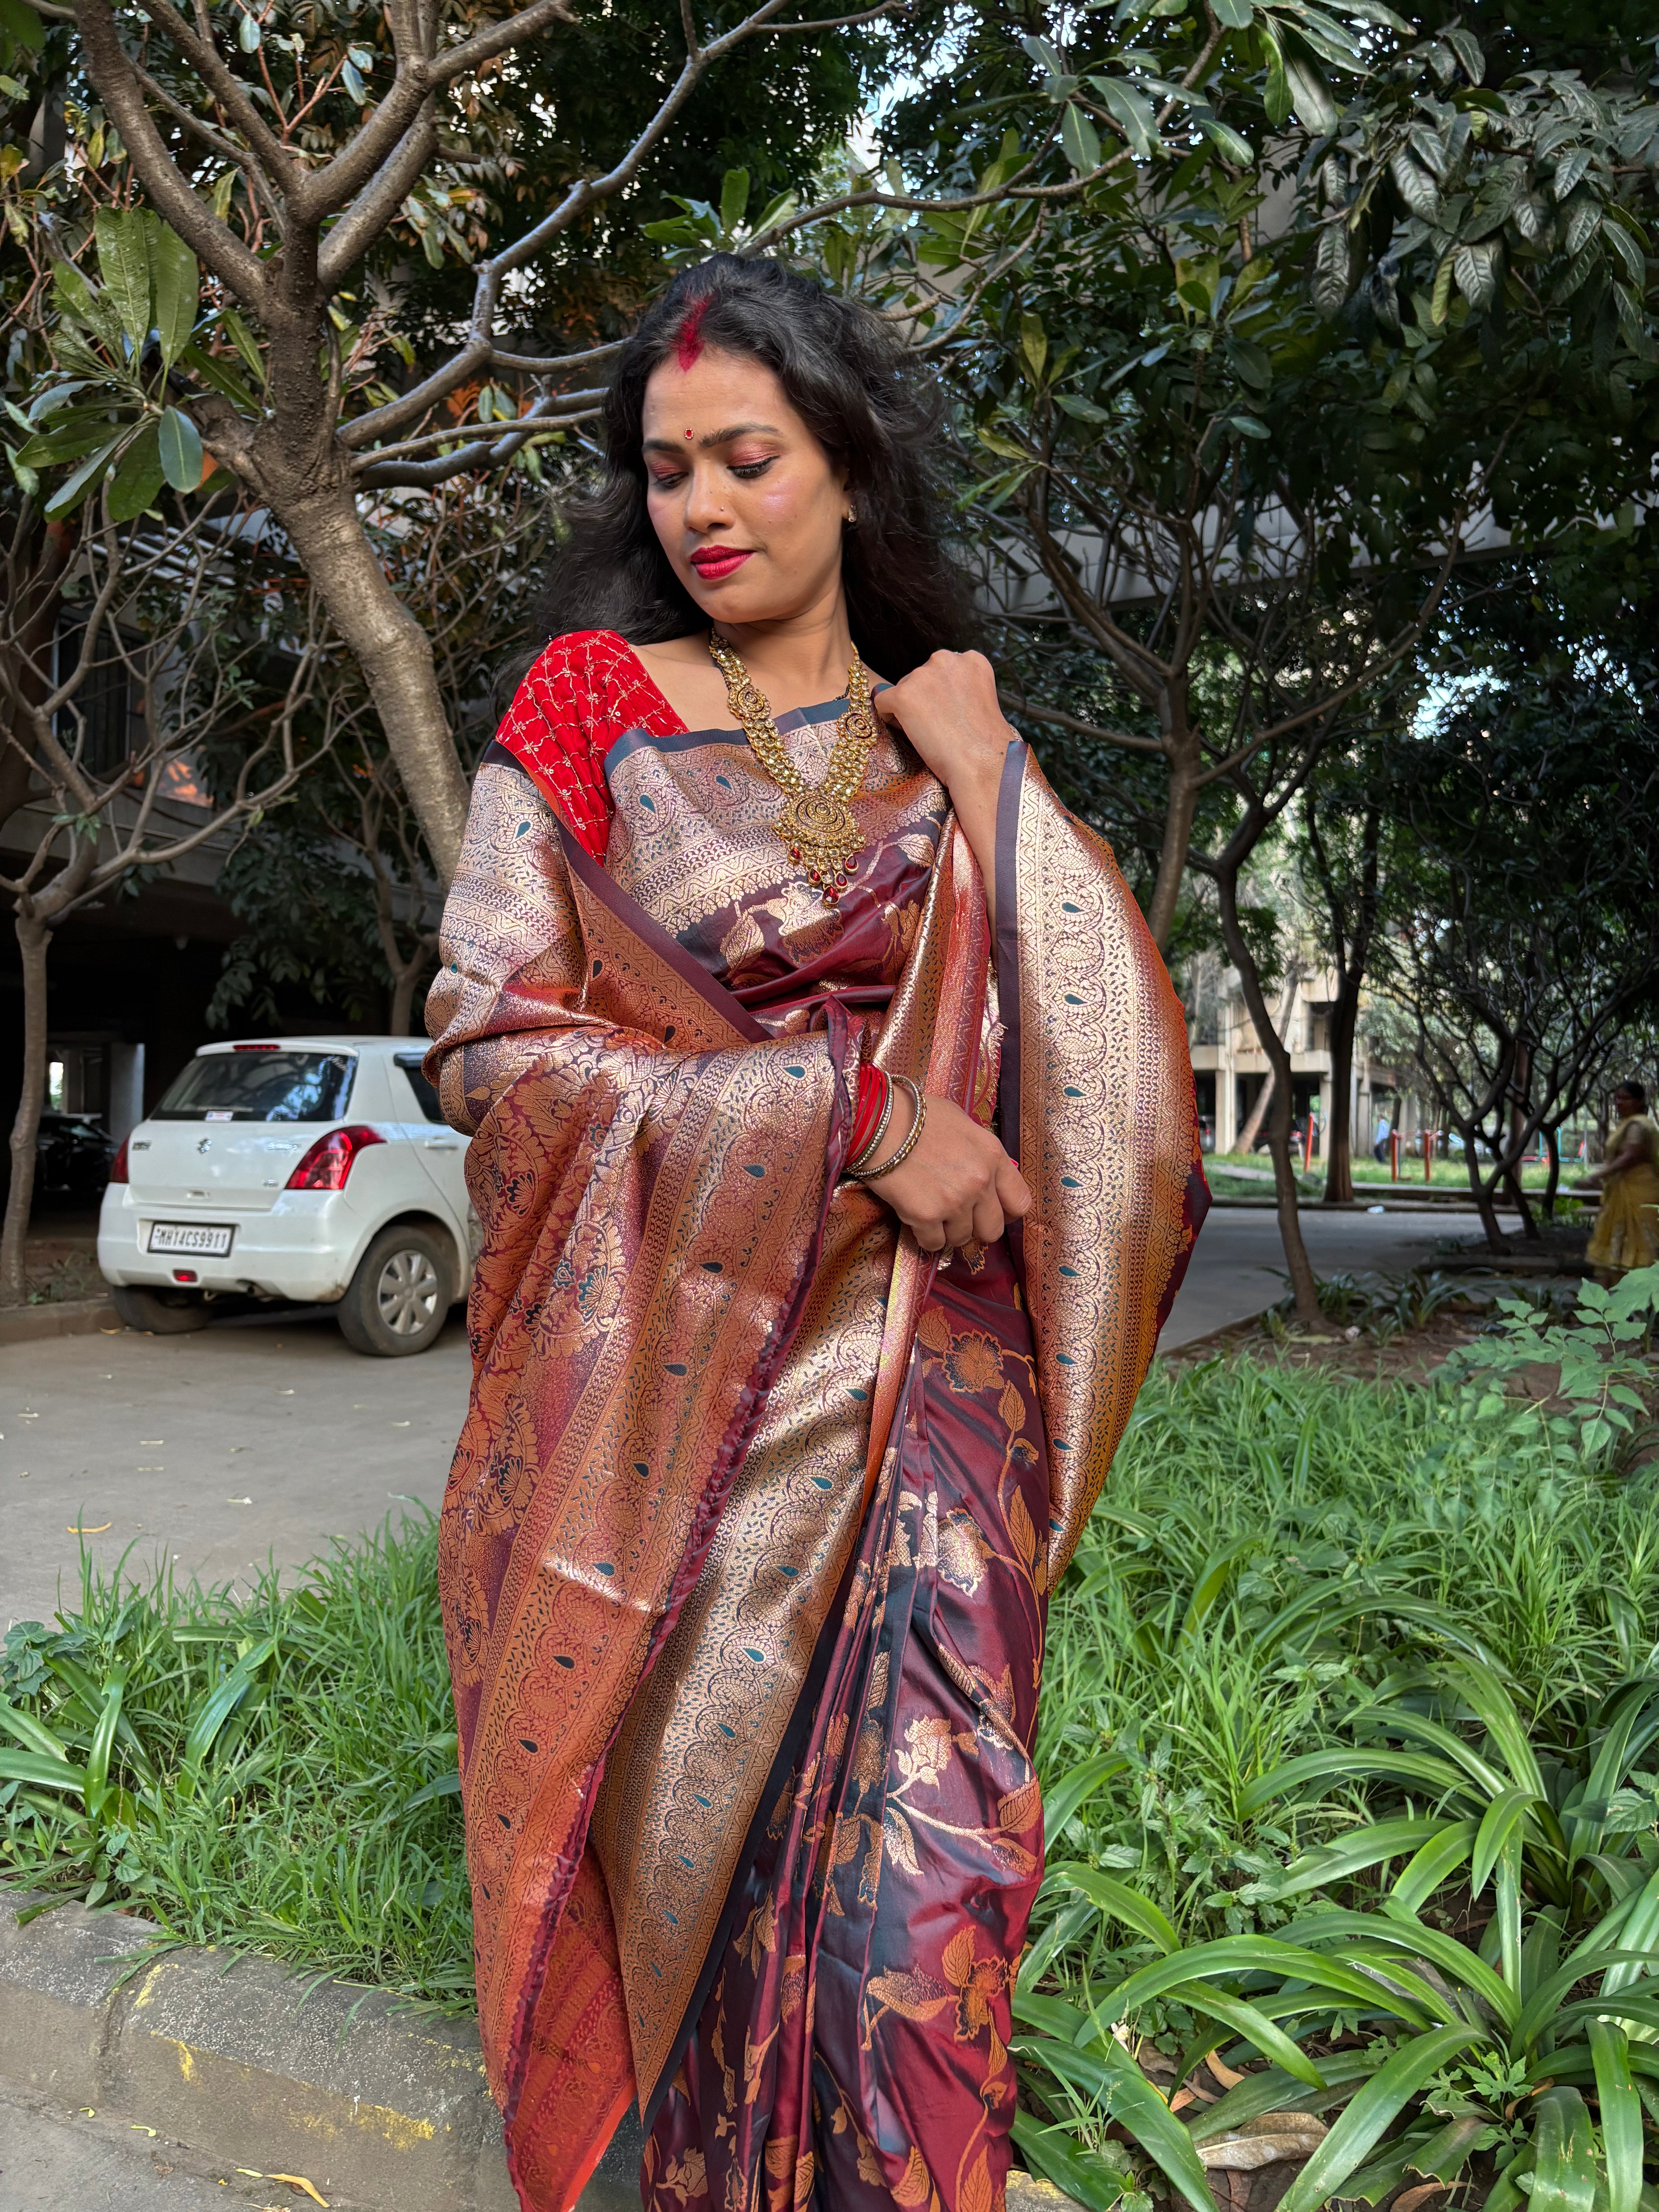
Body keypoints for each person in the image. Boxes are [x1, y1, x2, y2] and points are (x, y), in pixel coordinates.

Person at [424, 255, 1206, 2212]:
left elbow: (1113, 1079)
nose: (701, 504)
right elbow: (495, 1052)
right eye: (665, 466)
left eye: (747, 457)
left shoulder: (950, 743)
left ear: (847, 466)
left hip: (932, 1419)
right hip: (682, 1434)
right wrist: (854, 1117)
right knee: (719, 1896)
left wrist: (992, 773)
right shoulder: (592, 710)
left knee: (920, 1918)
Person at [1578, 1081, 1659, 1283]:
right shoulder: (1629, 1125)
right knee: (1618, 1246)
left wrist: (1597, 1176)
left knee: (1640, 1242)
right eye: (1616, 1098)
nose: (1619, 1103)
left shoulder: (1638, 1126)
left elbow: (1631, 1156)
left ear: (1640, 1102)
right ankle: (1612, 1294)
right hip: (1623, 1190)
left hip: (1639, 1192)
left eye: (1625, 1098)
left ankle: (1640, 1295)